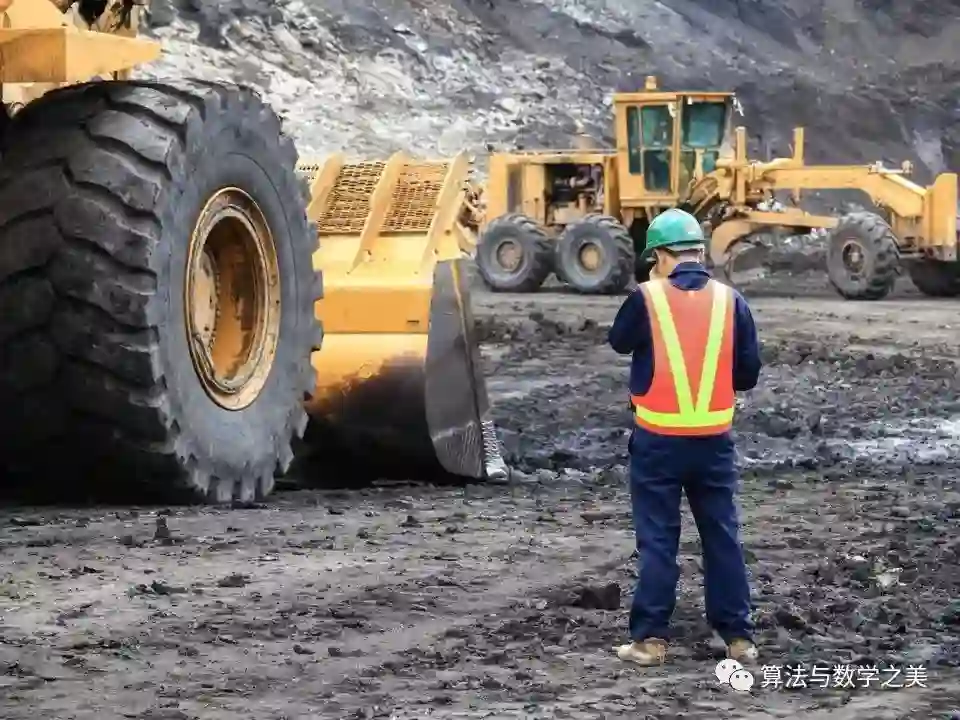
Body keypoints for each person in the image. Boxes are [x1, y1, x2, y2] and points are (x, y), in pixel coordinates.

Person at [607, 208, 762, 666]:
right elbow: (747, 374)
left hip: (657, 443)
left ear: (659, 256)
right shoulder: (731, 301)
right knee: (722, 537)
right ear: (698, 251)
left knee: (658, 540)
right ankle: (738, 639)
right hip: (714, 444)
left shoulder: (647, 297)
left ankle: (650, 641)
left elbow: (619, 342)